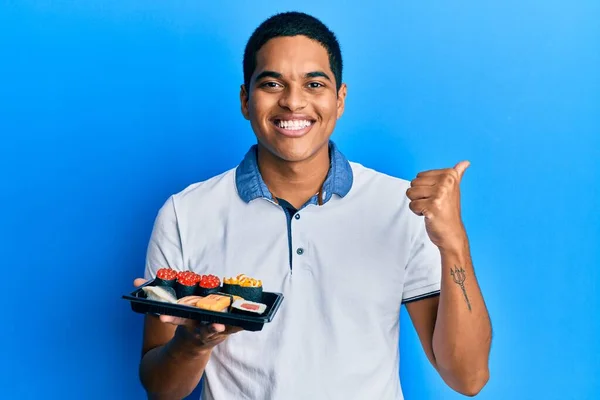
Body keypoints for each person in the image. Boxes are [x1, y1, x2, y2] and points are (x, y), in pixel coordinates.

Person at [134, 11, 492, 400]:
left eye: (314, 83)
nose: (293, 102)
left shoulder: (400, 207)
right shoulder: (185, 213)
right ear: (244, 100)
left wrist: (453, 243)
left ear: (339, 100)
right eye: (272, 83)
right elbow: (161, 390)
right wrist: (194, 343)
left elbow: (467, 377)